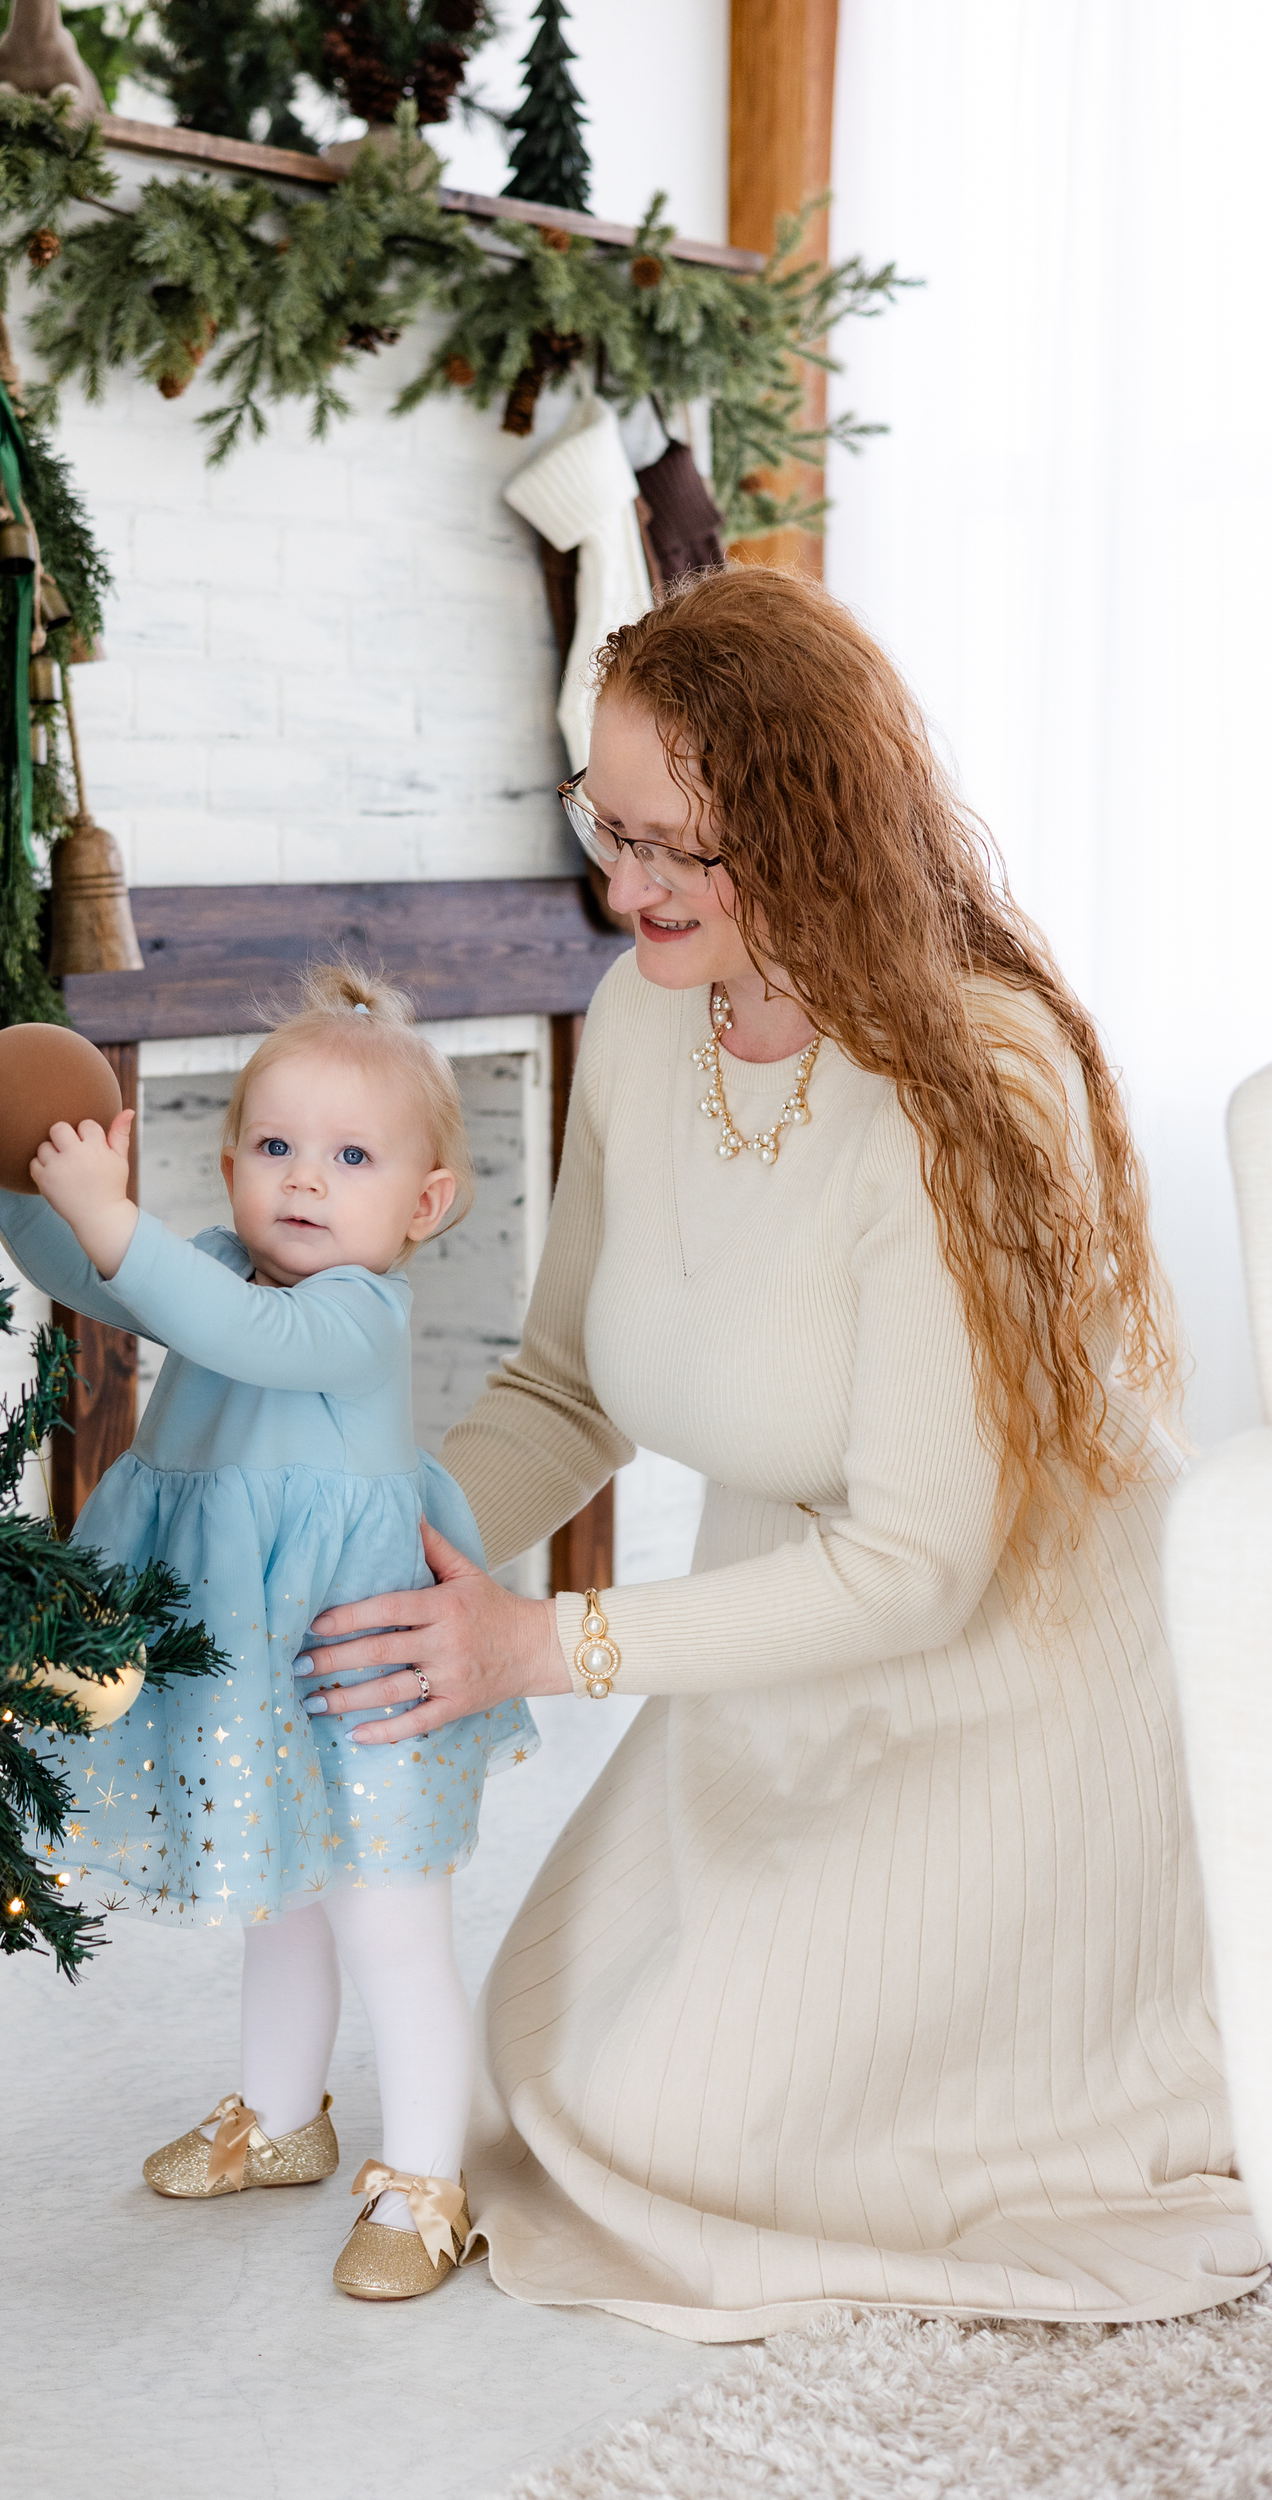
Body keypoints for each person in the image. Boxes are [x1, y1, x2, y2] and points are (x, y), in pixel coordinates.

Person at [297, 567, 1267, 2341]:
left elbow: (915, 1567)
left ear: (815, 824)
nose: (624, 884)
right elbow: (567, 1382)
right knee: (556, 2063)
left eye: (678, 845)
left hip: (1006, 1689)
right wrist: (379, 1537)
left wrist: (543, 1647)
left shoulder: (978, 1075)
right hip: (783, 1652)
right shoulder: (652, 1008)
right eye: (609, 826)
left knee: (686, 2133)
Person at [0, 964, 536, 2303]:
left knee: (387, 1916)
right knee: (275, 1895)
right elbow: (99, 1276)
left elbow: (224, 1326)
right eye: (274, 1147)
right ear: (228, 1170)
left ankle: (426, 2176)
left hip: (357, 1653)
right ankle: (279, 2118)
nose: (304, 1180)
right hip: (241, 1647)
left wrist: (116, 1226)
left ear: (424, 1203)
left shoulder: (352, 1313)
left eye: (349, 1157)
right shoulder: (217, 1263)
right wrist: (24, 1180)